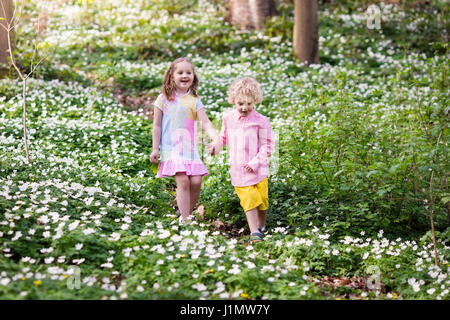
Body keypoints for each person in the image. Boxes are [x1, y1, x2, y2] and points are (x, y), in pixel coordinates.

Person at [150, 57, 219, 223]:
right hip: (170, 148)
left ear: (193, 76)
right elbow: (157, 125)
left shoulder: (194, 101)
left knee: (196, 181)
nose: (184, 75)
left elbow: (205, 122)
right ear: (171, 76)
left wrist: (216, 139)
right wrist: (155, 149)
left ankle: (186, 213)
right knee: (183, 181)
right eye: (180, 72)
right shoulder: (163, 98)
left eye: (188, 72)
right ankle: (186, 218)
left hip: (189, 149)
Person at [207, 77, 274, 242]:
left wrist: (255, 162)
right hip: (240, 169)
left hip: (259, 168)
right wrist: (215, 147)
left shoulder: (262, 121)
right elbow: (223, 138)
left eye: (249, 104)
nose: (244, 108)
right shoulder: (228, 118)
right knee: (249, 198)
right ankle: (254, 232)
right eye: (240, 104)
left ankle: (261, 225)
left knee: (262, 200)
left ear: (255, 101)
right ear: (233, 101)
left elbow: (268, 145)